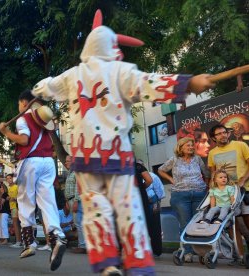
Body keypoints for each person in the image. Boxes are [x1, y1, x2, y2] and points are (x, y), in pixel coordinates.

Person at [31, 9, 215, 275]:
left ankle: (106, 264)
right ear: (111, 47)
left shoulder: (74, 75)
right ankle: (138, 263)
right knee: (129, 211)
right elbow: (154, 83)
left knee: (95, 211)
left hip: (85, 161)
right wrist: (188, 84)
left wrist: (39, 91)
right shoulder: (122, 71)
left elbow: (43, 88)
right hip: (118, 157)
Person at [0, 90, 67, 271]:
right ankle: (56, 237)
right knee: (47, 201)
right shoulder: (43, 120)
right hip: (48, 163)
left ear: (23, 103)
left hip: (30, 162)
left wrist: (6, 132)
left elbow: (23, 139)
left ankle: (30, 243)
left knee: (25, 200)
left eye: (18, 104)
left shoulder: (23, 119)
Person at [158, 137, 210, 262]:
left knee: (199, 224)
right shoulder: (174, 159)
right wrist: (171, 180)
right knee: (185, 223)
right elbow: (160, 170)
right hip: (180, 195)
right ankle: (187, 252)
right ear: (180, 147)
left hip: (199, 194)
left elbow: (206, 174)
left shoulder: (197, 159)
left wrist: (206, 188)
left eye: (192, 145)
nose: (191, 147)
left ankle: (202, 252)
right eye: (188, 145)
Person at [207, 124, 249, 262]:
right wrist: (211, 190)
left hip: (243, 191)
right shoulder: (212, 153)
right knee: (233, 224)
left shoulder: (240, 145)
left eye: (224, 132)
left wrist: (243, 180)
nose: (222, 135)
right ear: (213, 137)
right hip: (225, 194)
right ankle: (240, 256)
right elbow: (213, 172)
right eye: (218, 134)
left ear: (228, 134)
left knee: (247, 223)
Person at [64, 155, 86, 254]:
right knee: (77, 223)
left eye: (68, 161)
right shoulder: (70, 173)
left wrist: (76, 201)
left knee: (79, 223)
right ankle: (81, 244)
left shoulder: (77, 172)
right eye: (65, 161)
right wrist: (67, 201)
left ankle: (82, 246)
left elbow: (79, 188)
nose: (65, 163)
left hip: (76, 200)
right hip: (71, 200)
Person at [146, 172, 165, 257]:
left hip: (150, 200)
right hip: (151, 199)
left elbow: (159, 191)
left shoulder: (152, 176)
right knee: (155, 225)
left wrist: (157, 203)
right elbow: (159, 191)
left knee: (153, 226)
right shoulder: (152, 176)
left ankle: (155, 250)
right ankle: (156, 250)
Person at [6, 174, 22, 248]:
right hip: (12, 207)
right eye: (7, 179)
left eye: (10, 178)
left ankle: (19, 241)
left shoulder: (17, 186)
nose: (9, 180)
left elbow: (21, 196)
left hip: (17, 207)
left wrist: (14, 199)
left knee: (17, 224)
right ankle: (19, 241)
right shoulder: (9, 188)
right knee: (16, 225)